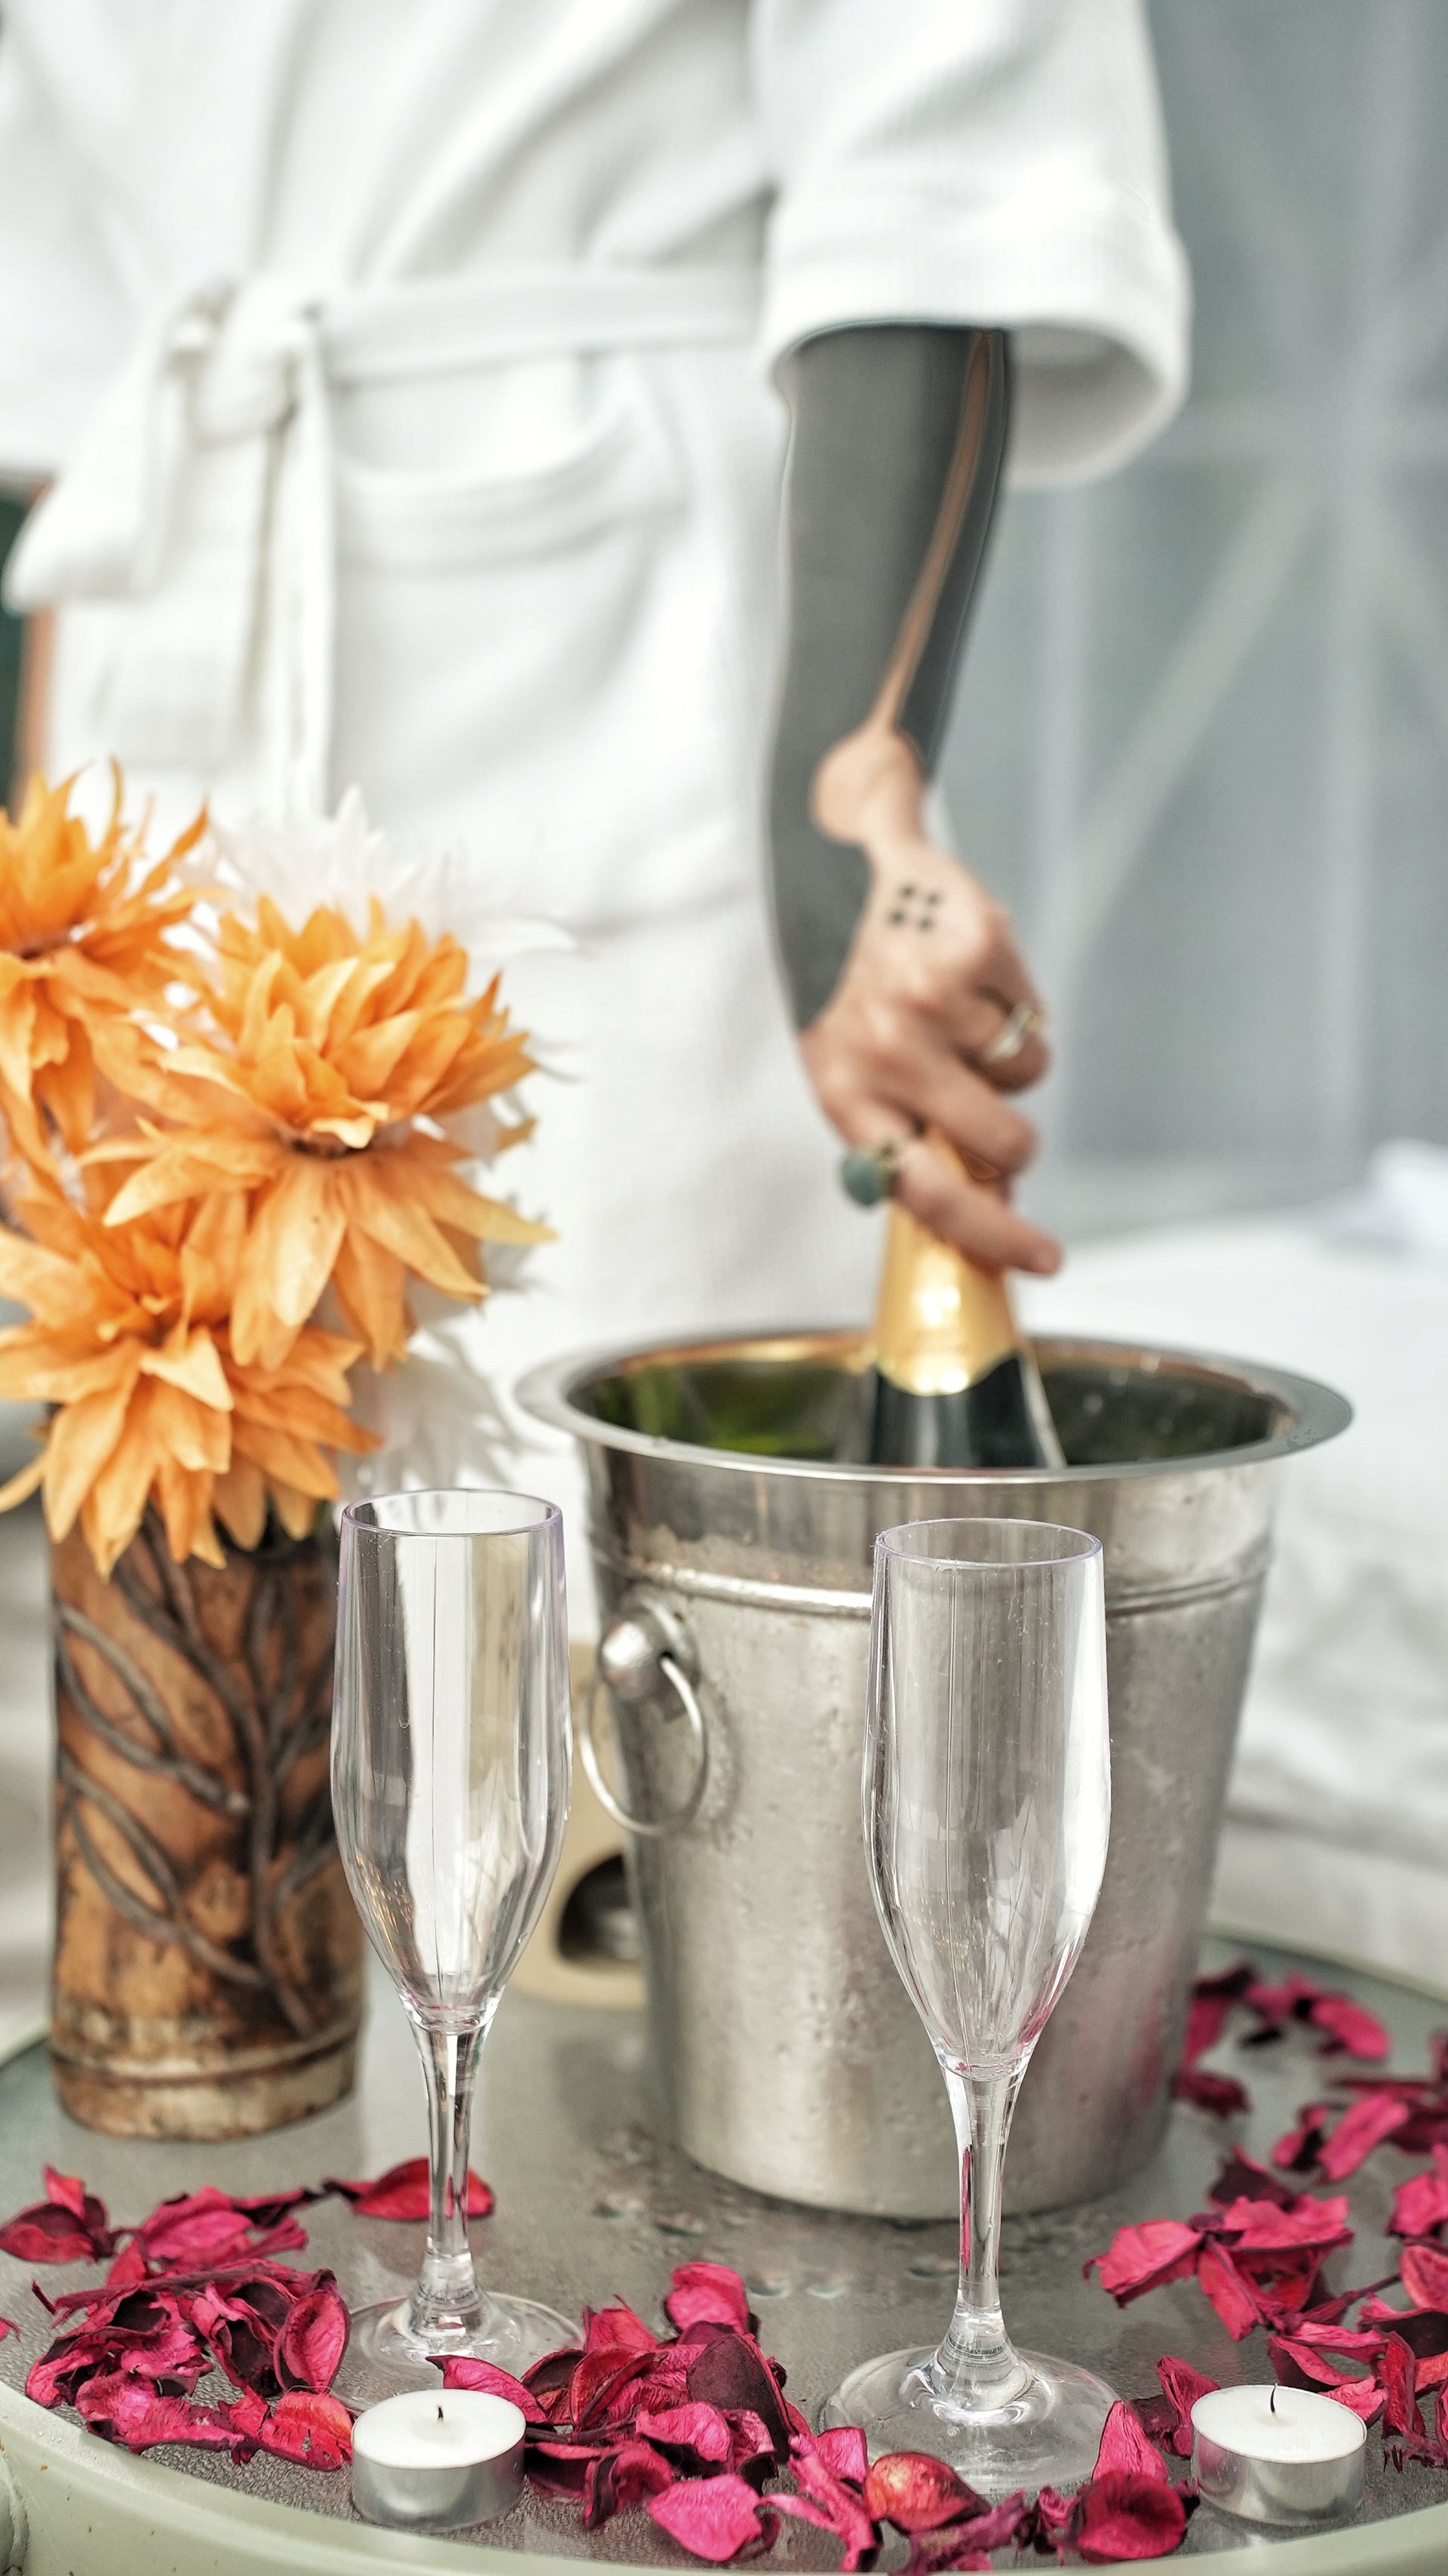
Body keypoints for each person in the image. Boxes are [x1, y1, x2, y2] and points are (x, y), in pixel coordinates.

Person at [0, 2, 1188, 1591]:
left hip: (626, 674)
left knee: (659, 1605)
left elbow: (926, 149)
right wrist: (45, 960)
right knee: (209, 1663)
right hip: (167, 675)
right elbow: (72, 368)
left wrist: (843, 799)